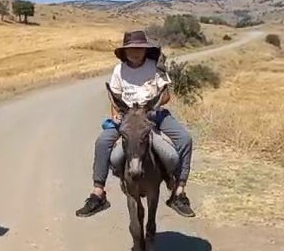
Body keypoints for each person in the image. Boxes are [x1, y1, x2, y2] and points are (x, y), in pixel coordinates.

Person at [75, 30, 196, 218]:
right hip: (127, 116)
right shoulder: (119, 70)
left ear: (145, 50)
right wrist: (116, 115)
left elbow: (166, 96)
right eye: (131, 49)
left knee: (185, 139)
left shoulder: (154, 67)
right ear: (124, 52)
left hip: (153, 114)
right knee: (102, 142)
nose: (135, 52)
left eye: (139, 48)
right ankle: (98, 193)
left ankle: (179, 192)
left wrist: (151, 104)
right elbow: (114, 98)